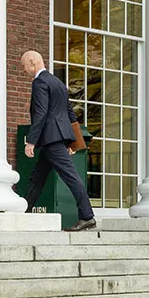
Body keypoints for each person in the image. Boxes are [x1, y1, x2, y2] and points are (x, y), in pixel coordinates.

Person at [20, 50, 96, 232]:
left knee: (70, 176)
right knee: (37, 178)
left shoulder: (39, 83)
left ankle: (87, 216)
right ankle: (23, 211)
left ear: (32, 62)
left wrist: (31, 140)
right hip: (55, 139)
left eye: (23, 66)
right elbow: (70, 113)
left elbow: (41, 113)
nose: (23, 70)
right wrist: (73, 142)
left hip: (51, 139)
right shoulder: (57, 82)